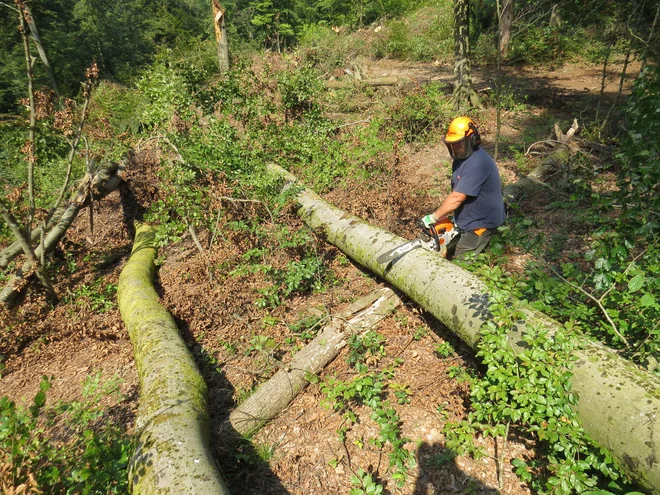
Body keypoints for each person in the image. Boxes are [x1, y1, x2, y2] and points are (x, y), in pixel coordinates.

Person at [421, 116, 505, 260]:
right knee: (445, 250)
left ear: (472, 140)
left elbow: (457, 197)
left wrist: (434, 217)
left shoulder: (477, 163)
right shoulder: (461, 160)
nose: (454, 149)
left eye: (458, 144)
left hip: (480, 224)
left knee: (461, 265)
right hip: (466, 220)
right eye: (451, 145)